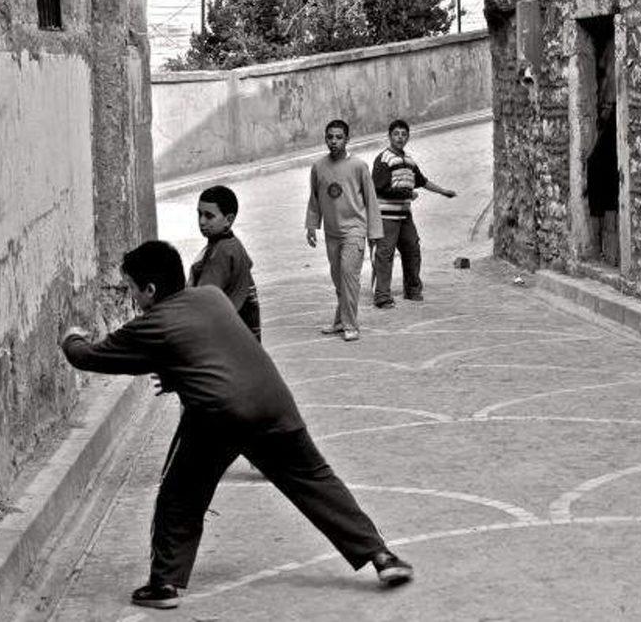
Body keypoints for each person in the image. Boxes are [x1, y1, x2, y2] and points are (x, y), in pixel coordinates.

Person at [60, 241, 414, 610]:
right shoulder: (211, 297)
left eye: (132, 288)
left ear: (149, 290)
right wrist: (179, 376)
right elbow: (209, 348)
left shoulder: (151, 325)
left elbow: (89, 357)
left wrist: (71, 336)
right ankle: (382, 557)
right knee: (316, 481)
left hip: (219, 416)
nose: (131, 297)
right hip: (274, 404)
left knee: (180, 497)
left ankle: (164, 584)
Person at [304, 119, 383, 341]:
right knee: (338, 279)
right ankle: (340, 321)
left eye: (339, 137)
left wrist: (374, 233)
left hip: (354, 230)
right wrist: (312, 225)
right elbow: (315, 198)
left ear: (347, 139)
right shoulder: (318, 167)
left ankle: (350, 324)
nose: (334, 141)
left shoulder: (358, 166)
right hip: (332, 232)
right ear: (325, 139)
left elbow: (371, 200)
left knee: (349, 277)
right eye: (330, 137)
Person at [370, 119, 457, 308]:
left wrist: (443, 191)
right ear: (389, 136)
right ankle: (382, 297)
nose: (400, 137)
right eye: (396, 134)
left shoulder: (409, 161)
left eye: (403, 134)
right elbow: (378, 188)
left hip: (404, 216)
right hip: (386, 216)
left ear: (408, 137)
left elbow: (423, 181)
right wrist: (406, 194)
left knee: (412, 249)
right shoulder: (383, 159)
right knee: (385, 255)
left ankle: (412, 290)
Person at [189, 185, 261, 341]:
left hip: (231, 335)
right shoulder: (233, 243)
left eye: (209, 216)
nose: (201, 221)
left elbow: (203, 298)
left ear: (228, 219)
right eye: (199, 214)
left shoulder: (221, 252)